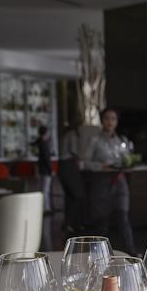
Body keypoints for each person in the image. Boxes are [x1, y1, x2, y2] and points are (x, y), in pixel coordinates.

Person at [83, 108, 135, 254]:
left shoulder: (122, 140)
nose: (110, 122)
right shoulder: (94, 140)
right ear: (102, 120)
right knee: (101, 220)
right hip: (101, 181)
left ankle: (130, 252)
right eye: (107, 118)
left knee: (123, 217)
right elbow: (84, 163)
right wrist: (101, 166)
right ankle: (100, 255)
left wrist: (128, 163)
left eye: (113, 119)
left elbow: (127, 159)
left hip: (119, 180)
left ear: (117, 122)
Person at [58, 124, 87, 233]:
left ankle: (71, 224)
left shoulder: (64, 135)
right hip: (68, 165)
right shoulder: (72, 134)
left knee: (70, 196)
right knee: (78, 195)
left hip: (62, 166)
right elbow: (75, 151)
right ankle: (70, 223)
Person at [33, 126, 53, 212]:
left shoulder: (39, 142)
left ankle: (43, 207)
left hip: (42, 169)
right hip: (45, 169)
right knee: (45, 190)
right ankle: (46, 208)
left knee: (43, 189)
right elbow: (46, 158)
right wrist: (51, 169)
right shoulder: (44, 144)